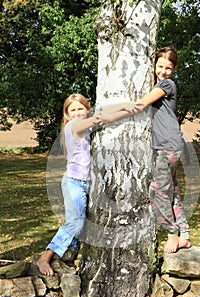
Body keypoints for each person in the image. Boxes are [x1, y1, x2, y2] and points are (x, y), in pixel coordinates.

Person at [96, 46, 191, 254]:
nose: (163, 71)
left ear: (173, 70)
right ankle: (184, 234)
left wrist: (109, 118)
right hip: (167, 144)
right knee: (171, 190)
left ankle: (172, 233)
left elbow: (139, 105)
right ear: (154, 66)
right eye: (160, 66)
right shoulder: (156, 84)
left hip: (167, 144)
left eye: (168, 67)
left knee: (157, 190)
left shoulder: (167, 85)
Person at [37, 94, 140, 276]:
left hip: (86, 184)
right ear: (67, 115)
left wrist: (126, 107)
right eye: (72, 110)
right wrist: (125, 108)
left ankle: (68, 260)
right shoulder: (74, 126)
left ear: (87, 109)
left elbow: (102, 116)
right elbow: (101, 117)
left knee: (82, 226)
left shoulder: (86, 127)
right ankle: (45, 257)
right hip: (73, 183)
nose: (77, 113)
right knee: (76, 224)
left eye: (80, 109)